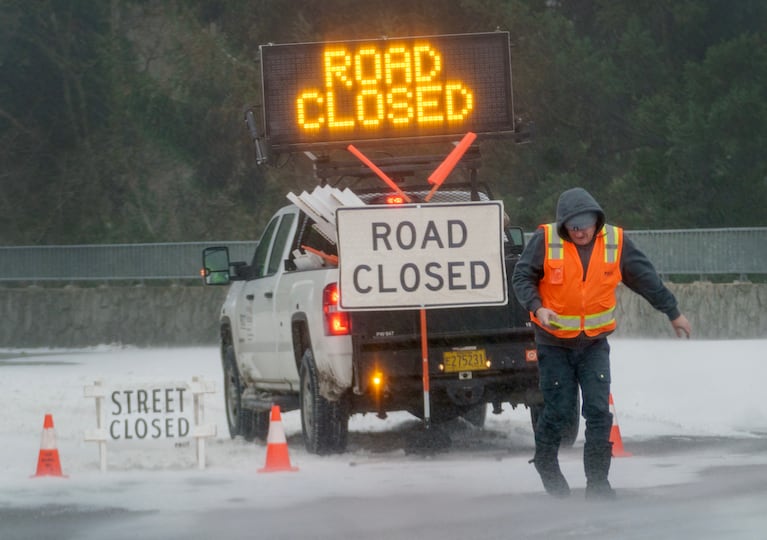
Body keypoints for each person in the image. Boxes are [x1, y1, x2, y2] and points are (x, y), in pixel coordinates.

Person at [511, 187, 692, 499]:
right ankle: (545, 461)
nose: (581, 231)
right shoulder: (546, 240)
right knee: (559, 411)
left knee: (598, 411)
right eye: (574, 226)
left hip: (594, 344)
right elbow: (521, 277)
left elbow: (645, 278)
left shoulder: (616, 242)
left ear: (597, 220)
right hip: (553, 343)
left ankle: (597, 483)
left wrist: (672, 311)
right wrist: (538, 307)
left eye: (586, 224)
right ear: (563, 225)